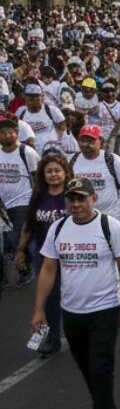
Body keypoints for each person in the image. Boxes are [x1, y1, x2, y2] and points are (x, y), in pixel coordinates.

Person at [31, 177, 120, 409]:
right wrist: (39, 309)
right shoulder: (58, 228)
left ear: (93, 199)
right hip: (72, 310)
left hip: (105, 308)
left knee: (101, 367)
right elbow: (49, 268)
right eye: (71, 199)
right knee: (87, 367)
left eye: (81, 198)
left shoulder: (109, 226)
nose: (76, 204)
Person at [13, 151, 70, 355]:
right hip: (44, 257)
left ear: (65, 172)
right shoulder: (38, 196)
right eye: (49, 172)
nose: (53, 175)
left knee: (74, 297)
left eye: (57, 170)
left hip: (71, 256)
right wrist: (20, 250)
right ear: (43, 175)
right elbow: (29, 225)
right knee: (49, 298)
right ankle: (52, 338)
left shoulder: (72, 195)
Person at [71, 124, 120, 234]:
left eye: (91, 141)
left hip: (111, 220)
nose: (86, 144)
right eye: (82, 140)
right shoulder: (73, 161)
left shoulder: (113, 160)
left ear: (101, 142)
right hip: (83, 221)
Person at [0, 113, 39, 285]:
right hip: (3, 204)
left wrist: (37, 201)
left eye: (10, 131)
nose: (7, 135)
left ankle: (26, 269)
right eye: (2, 132)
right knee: (10, 240)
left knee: (18, 238)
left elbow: (37, 178)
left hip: (24, 201)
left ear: (17, 133)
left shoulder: (26, 152)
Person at [16, 83, 66, 153]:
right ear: (25, 97)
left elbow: (62, 127)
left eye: (37, 96)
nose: (34, 99)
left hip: (50, 149)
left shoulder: (52, 110)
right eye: (31, 97)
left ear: (42, 97)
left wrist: (58, 141)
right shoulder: (20, 112)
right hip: (30, 151)